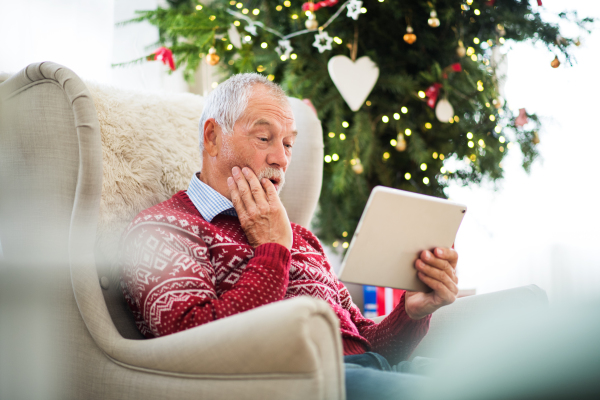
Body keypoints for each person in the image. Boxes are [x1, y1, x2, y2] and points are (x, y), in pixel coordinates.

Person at [119, 73, 459, 399]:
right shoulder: (164, 228)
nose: (280, 158)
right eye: (264, 138)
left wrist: (411, 313)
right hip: (294, 383)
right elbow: (196, 348)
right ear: (212, 137)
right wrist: (272, 250)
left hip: (368, 373)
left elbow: (363, 345)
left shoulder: (301, 238)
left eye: (288, 144)